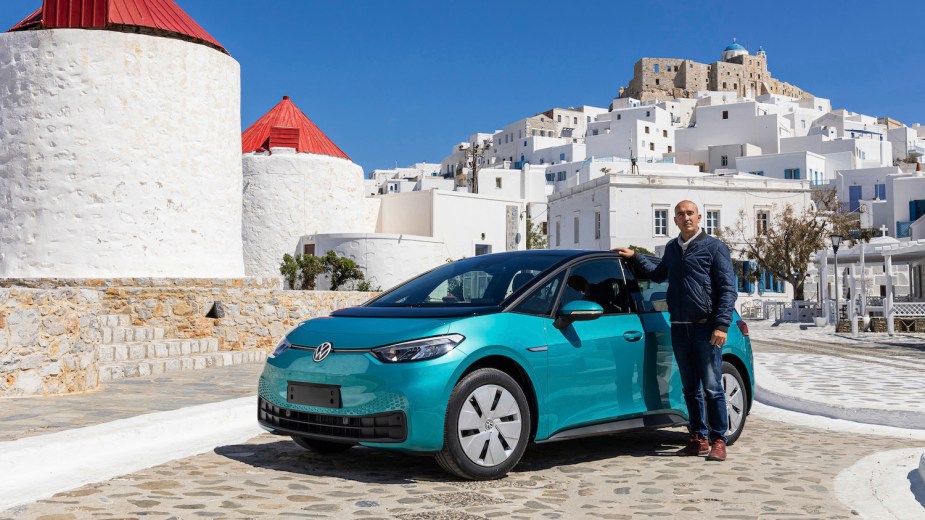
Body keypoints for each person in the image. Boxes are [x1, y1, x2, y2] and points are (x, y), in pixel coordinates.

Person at [612, 200, 736, 462]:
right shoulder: (671, 248)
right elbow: (658, 275)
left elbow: (727, 289)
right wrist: (635, 257)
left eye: (690, 213)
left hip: (706, 328)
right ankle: (698, 436)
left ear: (699, 217)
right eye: (681, 214)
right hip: (679, 327)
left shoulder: (714, 248)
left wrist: (722, 325)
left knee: (712, 387)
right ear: (675, 220)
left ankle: (718, 439)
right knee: (689, 387)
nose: (686, 217)